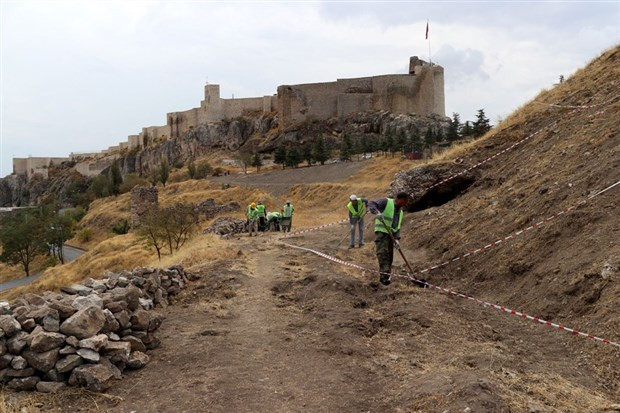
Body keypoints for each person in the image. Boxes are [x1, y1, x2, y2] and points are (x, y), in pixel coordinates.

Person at [368, 192, 409, 286]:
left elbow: (397, 227)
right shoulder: (386, 202)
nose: (405, 204)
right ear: (398, 199)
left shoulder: (401, 212)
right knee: (383, 254)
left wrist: (397, 239)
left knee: (389, 256)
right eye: (404, 201)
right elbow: (371, 204)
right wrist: (377, 212)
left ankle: (387, 276)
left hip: (391, 236)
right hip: (382, 232)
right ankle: (384, 279)